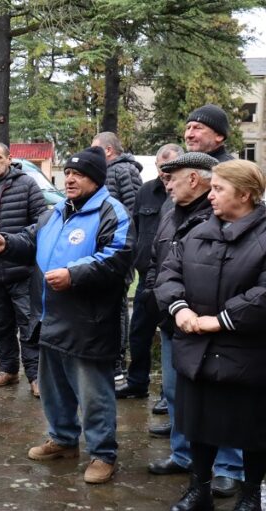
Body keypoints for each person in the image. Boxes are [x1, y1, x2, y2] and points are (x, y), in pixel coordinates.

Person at [0, 146, 133, 484]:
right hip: (49, 318)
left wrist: (73, 275)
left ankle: (103, 454)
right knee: (54, 390)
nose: (69, 178)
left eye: (77, 174)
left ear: (95, 178)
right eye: (67, 172)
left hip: (89, 322)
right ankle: (64, 440)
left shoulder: (113, 212)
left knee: (93, 394)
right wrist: (6, 243)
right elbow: (32, 238)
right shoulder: (56, 211)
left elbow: (118, 257)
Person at [155, 159, 266, 511]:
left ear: (245, 194)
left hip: (247, 354)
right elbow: (168, 274)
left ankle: (249, 497)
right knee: (198, 425)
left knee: (253, 432)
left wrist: (219, 321)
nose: (211, 195)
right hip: (196, 349)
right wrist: (181, 310)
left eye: (219, 188)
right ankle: (197, 491)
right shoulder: (198, 230)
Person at [143, 152, 244, 499]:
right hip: (176, 320)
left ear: (194, 179)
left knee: (222, 400)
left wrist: (207, 317)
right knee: (176, 394)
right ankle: (184, 455)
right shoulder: (170, 212)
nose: (166, 183)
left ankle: (229, 468)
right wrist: (166, 303)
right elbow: (161, 262)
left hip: (213, 328)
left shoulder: (221, 213)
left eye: (173, 176)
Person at [116, 144, 182, 401]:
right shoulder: (146, 191)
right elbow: (134, 228)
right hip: (146, 277)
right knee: (139, 334)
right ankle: (137, 382)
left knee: (170, 337)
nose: (166, 175)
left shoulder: (182, 193)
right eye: (161, 168)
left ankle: (169, 394)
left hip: (173, 279)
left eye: (170, 169)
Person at [0, 143, 46, 396]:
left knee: (29, 326)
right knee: (0, 326)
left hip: (21, 269)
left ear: (10, 159)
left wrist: (13, 242)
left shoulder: (27, 184)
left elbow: (42, 221)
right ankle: (8, 370)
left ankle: (36, 376)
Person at [91, 131, 143, 383]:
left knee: (118, 306)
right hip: (103, 252)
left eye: (95, 149)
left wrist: (125, 248)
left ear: (108, 151)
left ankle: (118, 363)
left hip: (120, 252)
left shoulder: (125, 171)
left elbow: (134, 213)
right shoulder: (106, 173)